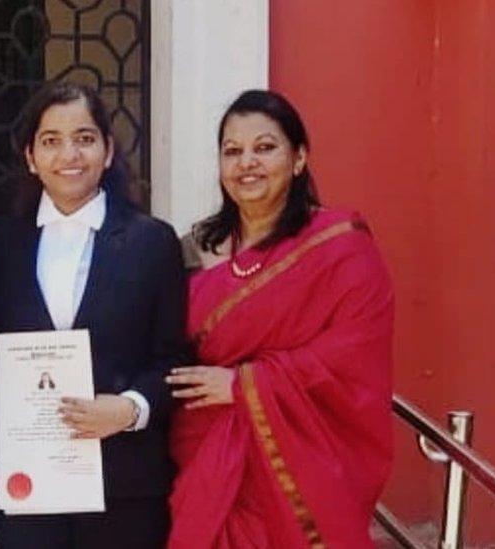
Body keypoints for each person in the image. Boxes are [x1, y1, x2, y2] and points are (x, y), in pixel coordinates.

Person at [165, 89, 395, 548]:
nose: (246, 162)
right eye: (232, 151)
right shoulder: (193, 249)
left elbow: (354, 351)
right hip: (204, 457)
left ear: (298, 158)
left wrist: (244, 384)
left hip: (299, 461)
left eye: (264, 148)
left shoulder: (340, 247)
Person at [0, 82, 186, 548]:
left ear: (108, 150)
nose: (69, 154)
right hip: (26, 487)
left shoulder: (152, 242)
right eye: (51, 140)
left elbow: (173, 358)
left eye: (85, 138)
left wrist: (132, 408)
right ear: (31, 157)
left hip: (124, 486)